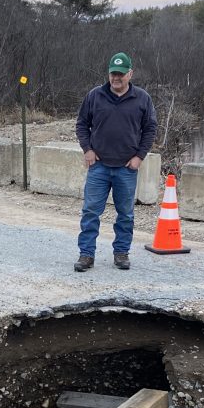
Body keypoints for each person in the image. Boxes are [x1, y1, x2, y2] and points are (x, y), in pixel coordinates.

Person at [73, 52, 158, 272]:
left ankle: (121, 253)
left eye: (121, 74)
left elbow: (150, 129)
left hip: (126, 168)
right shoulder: (94, 96)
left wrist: (139, 156)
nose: (116, 78)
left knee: (126, 214)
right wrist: (87, 150)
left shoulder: (142, 99)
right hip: (98, 166)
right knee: (91, 212)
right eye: (113, 74)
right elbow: (82, 124)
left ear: (130, 73)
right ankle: (86, 254)